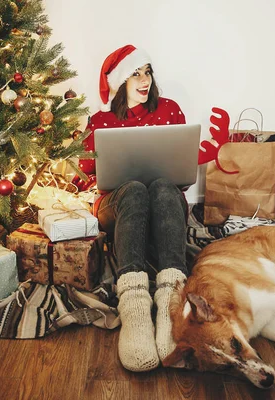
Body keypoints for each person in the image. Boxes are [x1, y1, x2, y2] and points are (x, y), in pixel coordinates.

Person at [78, 44, 189, 372]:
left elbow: (181, 171)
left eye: (147, 72)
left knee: (163, 187)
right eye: (135, 74)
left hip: (165, 200)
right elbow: (86, 172)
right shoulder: (100, 120)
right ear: (117, 82)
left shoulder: (170, 110)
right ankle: (136, 308)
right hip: (118, 204)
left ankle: (171, 300)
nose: (144, 80)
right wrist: (80, 141)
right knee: (136, 190)